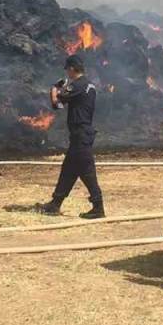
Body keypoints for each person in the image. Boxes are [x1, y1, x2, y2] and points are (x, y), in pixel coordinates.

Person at [37, 55, 104, 219]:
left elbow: (57, 104)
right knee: (68, 170)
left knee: (87, 172)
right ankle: (55, 203)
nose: (67, 72)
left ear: (72, 68)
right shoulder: (90, 85)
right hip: (81, 133)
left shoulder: (77, 85)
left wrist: (54, 89)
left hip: (80, 134)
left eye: (67, 69)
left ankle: (98, 207)